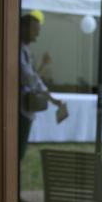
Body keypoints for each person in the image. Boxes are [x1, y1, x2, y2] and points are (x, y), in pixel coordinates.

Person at [20, 14, 63, 161]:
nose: (37, 35)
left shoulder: (25, 50)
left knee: (20, 153)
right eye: (34, 31)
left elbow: (36, 83)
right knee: (17, 153)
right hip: (20, 110)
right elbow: (30, 80)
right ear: (24, 28)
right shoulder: (18, 50)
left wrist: (53, 100)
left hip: (26, 110)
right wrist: (43, 65)